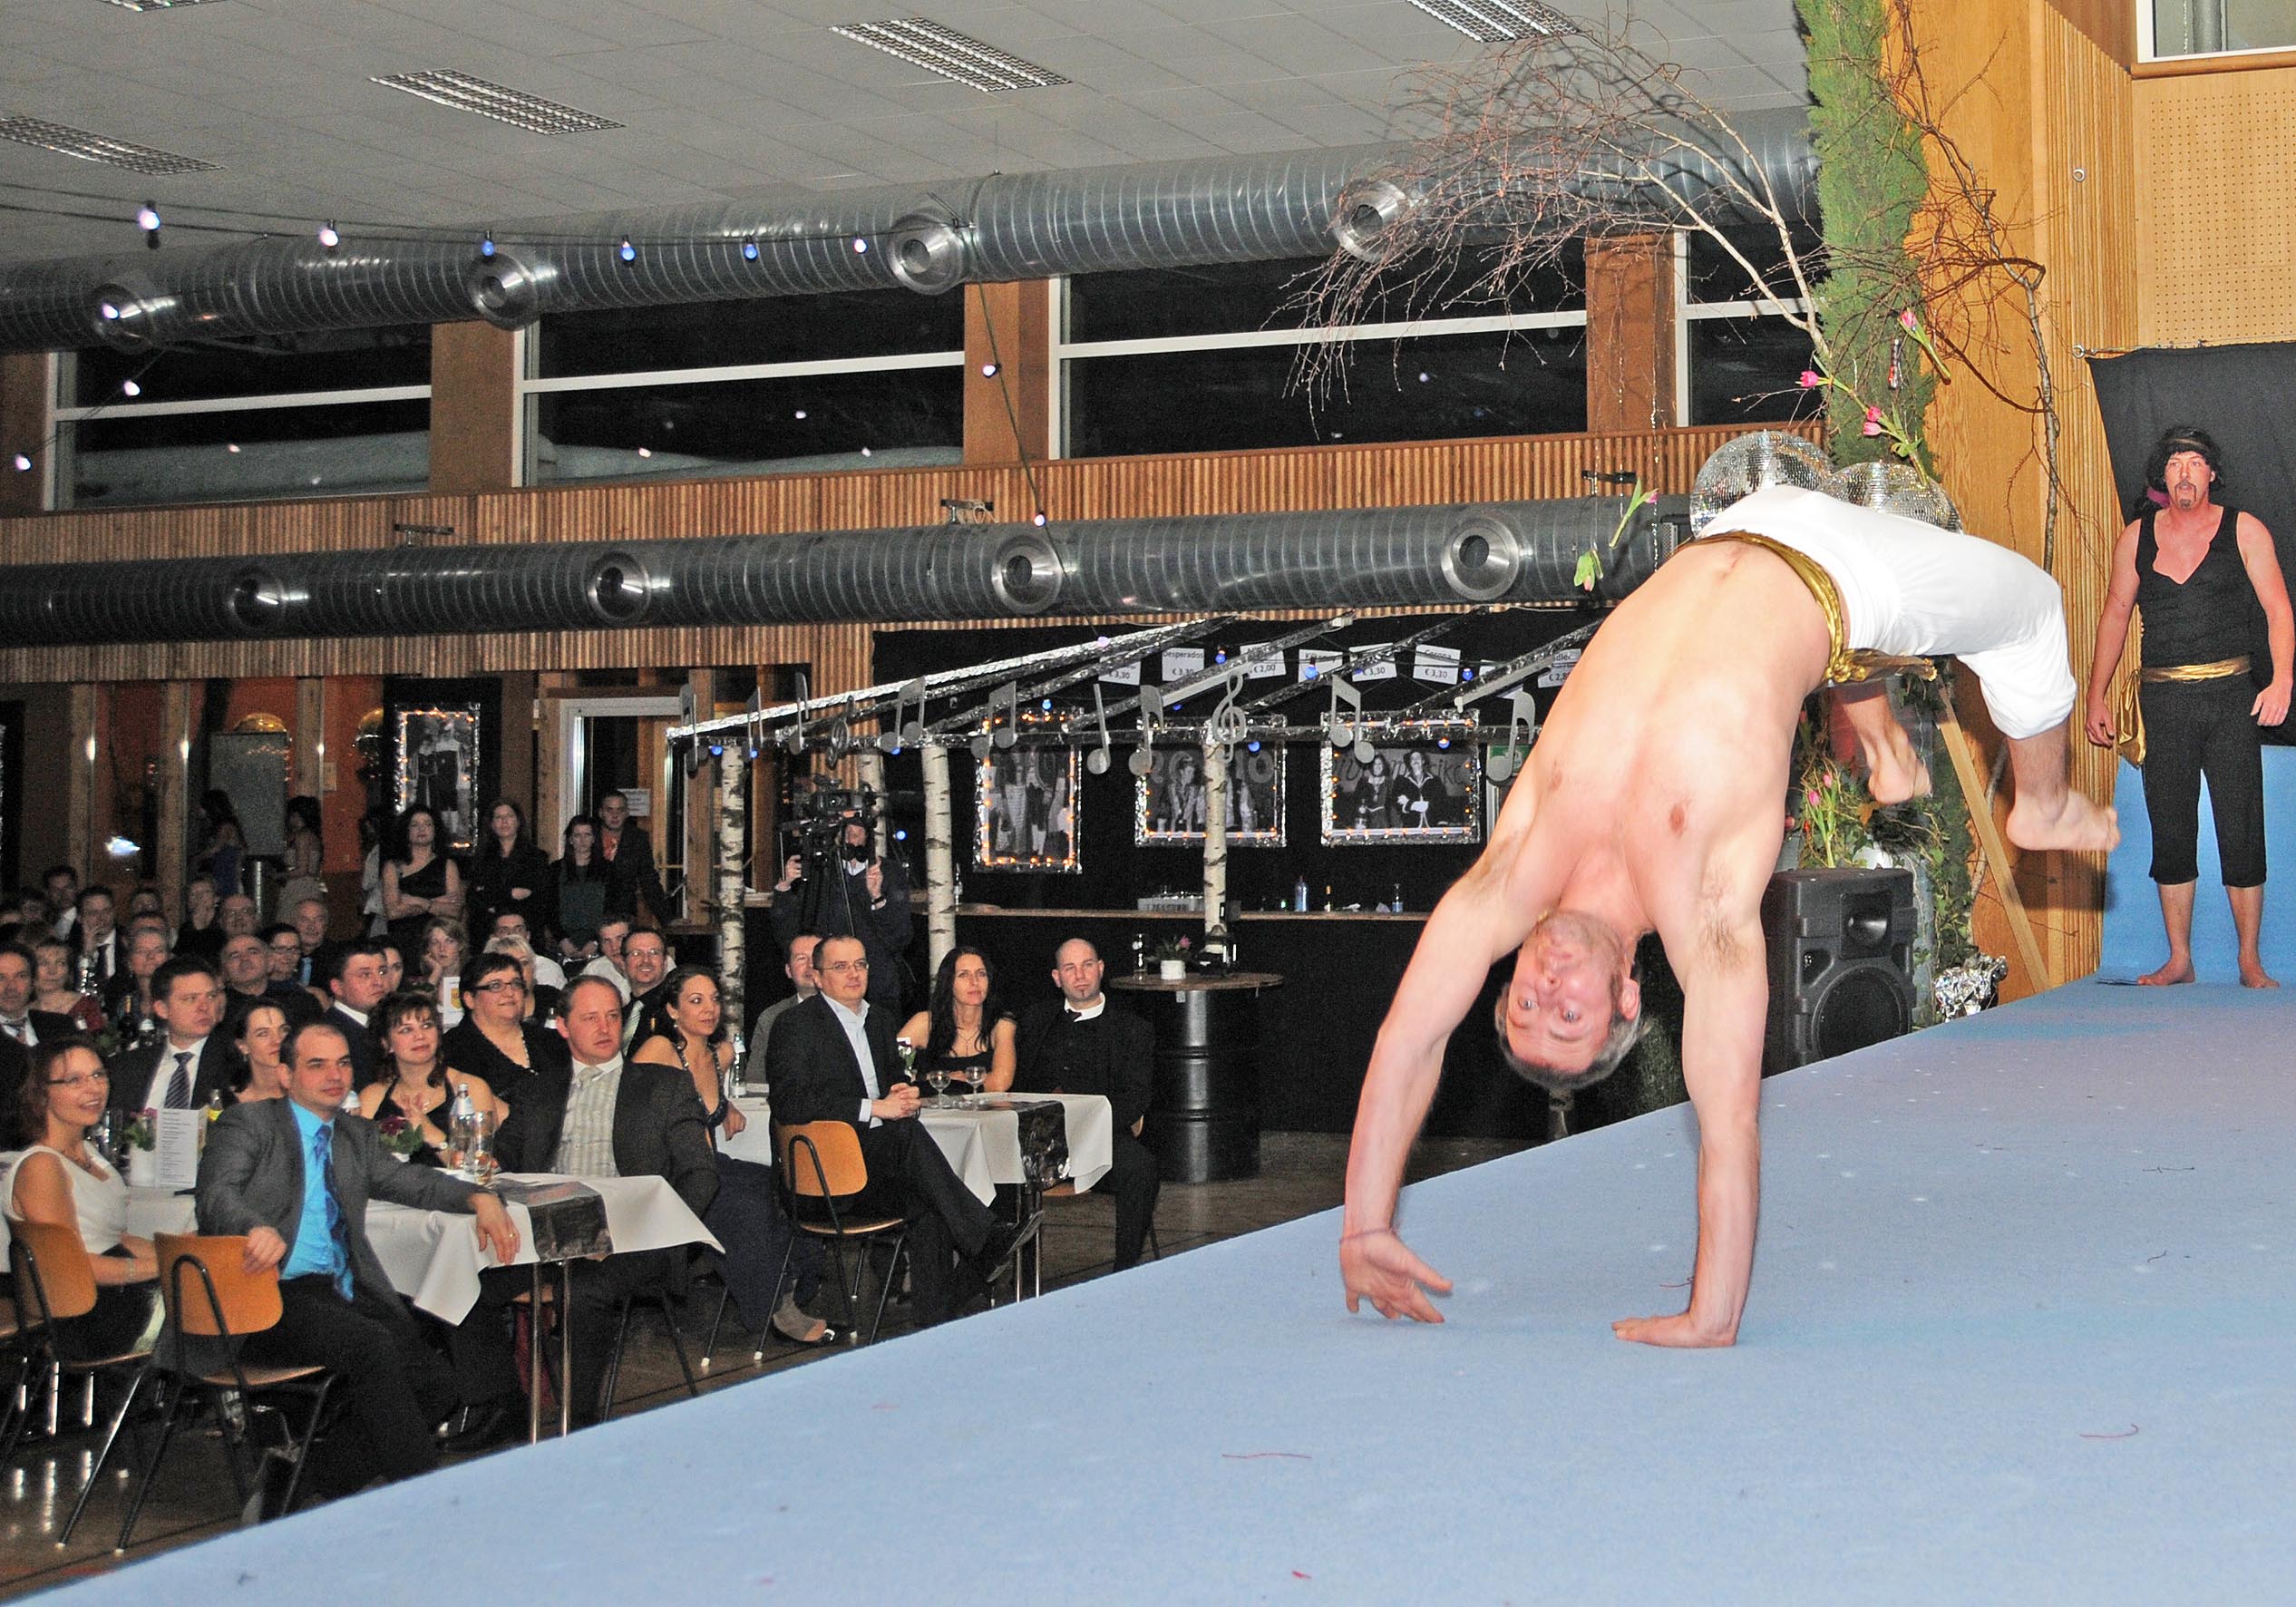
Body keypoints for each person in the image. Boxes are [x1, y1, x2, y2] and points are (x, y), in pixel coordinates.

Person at [1341, 482, 2117, 1348]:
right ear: (1627, 998)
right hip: (1842, 579)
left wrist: (1364, 1224)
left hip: (1738, 525)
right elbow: (1728, 1126)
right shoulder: (1703, 910)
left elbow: (1411, 1038)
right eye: (1568, 1017)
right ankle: (2043, 806)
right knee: (2032, 608)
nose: (1547, 991)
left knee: (1837, 661)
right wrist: (1713, 1312)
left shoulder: (1516, 866)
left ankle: (1883, 746)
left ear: (1514, 965)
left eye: (1525, 1002)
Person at [196, 1018, 520, 1508]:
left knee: (437, 1387)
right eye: (317, 1065)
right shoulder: (250, 1124)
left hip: (336, 1292)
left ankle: (298, 1482)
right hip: (262, 1293)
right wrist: (252, 1227)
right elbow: (216, 1195)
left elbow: (411, 1182)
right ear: (285, 1075)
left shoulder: (355, 1134)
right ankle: (429, 1503)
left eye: (343, 1063)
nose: (335, 1075)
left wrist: (478, 1198)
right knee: (372, 1346)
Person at [2084, 426, 2293, 988]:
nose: (2185, 472)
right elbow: (2115, 615)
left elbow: (2278, 609)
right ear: (2163, 476)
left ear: (2211, 475)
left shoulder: (2245, 530)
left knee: (2241, 825)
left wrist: (2282, 681)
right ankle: (2180, 959)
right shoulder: (2136, 537)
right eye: (2176, 463)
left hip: (2231, 698)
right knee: (2171, 826)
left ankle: (2249, 960)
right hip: (2164, 701)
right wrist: (2096, 693)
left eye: (2195, 463)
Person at [480, 975, 715, 1426]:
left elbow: (700, 1175)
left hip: (631, 1239)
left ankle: (581, 1425)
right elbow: (502, 1159)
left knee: (584, 1291)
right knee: (465, 1276)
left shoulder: (663, 1086)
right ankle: (502, 1406)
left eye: (612, 1016)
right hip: (544, 1235)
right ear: (563, 1026)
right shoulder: (539, 1090)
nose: (605, 1028)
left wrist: (660, 1234)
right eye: (590, 1018)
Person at [769, 935, 1035, 1327]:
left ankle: (935, 1320)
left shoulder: (879, 1021)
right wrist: (874, 1107)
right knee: (908, 1141)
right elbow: (790, 1102)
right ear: (819, 977)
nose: (854, 974)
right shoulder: (795, 1025)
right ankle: (986, 1237)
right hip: (826, 1172)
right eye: (841, 967)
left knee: (930, 1197)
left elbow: (894, 1082)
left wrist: (904, 1093)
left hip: (877, 1168)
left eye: (860, 964)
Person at [632, 968, 836, 1346]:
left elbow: (704, 1103)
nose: (709, 1009)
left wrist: (725, 1108)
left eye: (714, 999)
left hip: (710, 1164)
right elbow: (636, 1119)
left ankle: (794, 1287)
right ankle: (776, 1309)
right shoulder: (658, 1051)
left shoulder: (720, 1053)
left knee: (786, 1185)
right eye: (696, 1001)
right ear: (673, 1010)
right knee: (747, 1207)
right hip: (670, 1174)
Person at [1012, 940, 1162, 1272]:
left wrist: (1089, 1126)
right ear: (1056, 978)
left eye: (1087, 965)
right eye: (1070, 968)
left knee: (1141, 1168)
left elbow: (1136, 1097)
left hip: (1102, 1138)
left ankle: (1124, 1273)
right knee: (983, 1163)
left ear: (1101, 969)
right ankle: (997, 1274)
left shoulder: (1133, 1029)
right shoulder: (1035, 1021)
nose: (1080, 975)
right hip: (1037, 1140)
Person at [6, 1038, 160, 1358]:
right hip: (87, 1314)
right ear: (41, 1093)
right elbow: (70, 1267)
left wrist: (178, 1252)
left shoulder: (87, 1153)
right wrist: (161, 1267)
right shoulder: (42, 1166)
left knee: (216, 1284)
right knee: (209, 1308)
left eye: (98, 1075)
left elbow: (112, 1236)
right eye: (74, 1080)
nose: (93, 1088)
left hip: (114, 1295)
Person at [767, 814, 912, 1013]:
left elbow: (901, 936)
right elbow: (788, 934)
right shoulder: (820, 871)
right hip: (828, 989)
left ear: (868, 835)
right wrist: (785, 886)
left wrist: (877, 896)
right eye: (845, 831)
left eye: (857, 831)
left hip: (877, 989)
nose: (851, 837)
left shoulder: (889, 873)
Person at [359, 990, 501, 1168]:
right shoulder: (372, 1097)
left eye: (427, 1026)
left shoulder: (471, 1088)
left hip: (455, 1185)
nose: (420, 1036)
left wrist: (435, 1137)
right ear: (386, 1044)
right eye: (406, 1030)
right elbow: (360, 1167)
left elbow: (480, 1168)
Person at [440, 950, 569, 1109]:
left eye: (516, 984)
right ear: (470, 999)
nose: (509, 992)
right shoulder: (452, 1051)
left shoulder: (552, 1040)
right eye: (496, 986)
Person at [109, 954, 231, 1113]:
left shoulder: (233, 1063)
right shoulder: (126, 1067)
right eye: (190, 999)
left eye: (211, 996)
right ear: (162, 1009)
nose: (204, 1007)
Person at [899, 946, 1018, 1096]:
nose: (974, 982)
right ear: (948, 982)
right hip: (934, 1109)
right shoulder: (924, 1023)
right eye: (964, 975)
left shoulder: (1002, 1025)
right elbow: (893, 1070)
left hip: (986, 1109)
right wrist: (928, 1078)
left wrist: (950, 1084)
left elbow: (1001, 1082)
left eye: (981, 974)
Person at [0, 943, 80, 1117]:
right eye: (1, 978)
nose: (11, 987)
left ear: (32, 982)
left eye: (21, 976)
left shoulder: (62, 1026)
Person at [744, 930, 823, 1090]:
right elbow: (755, 1081)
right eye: (801, 958)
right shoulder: (772, 1017)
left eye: (816, 958)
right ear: (788, 970)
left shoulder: (850, 1012)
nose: (810, 965)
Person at [380, 806, 462, 959]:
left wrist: (420, 902)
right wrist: (436, 904)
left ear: (435, 830)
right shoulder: (393, 866)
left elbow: (454, 911)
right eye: (415, 824)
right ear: (406, 830)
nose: (421, 829)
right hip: (404, 940)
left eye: (427, 824)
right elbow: (393, 912)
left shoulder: (448, 865)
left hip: (439, 941)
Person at [467, 799, 552, 944]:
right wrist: (510, 894)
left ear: (518, 821)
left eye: (509, 816)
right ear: (491, 824)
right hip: (487, 933)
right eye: (498, 817)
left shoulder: (536, 858)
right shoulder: (481, 858)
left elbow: (537, 899)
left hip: (526, 934)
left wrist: (494, 901)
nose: (504, 821)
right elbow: (474, 899)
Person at [596, 791, 672, 926]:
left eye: (620, 810)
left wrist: (667, 919)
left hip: (624, 915)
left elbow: (649, 880)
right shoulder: (588, 836)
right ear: (601, 813)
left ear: (627, 813)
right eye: (609, 810)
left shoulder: (637, 839)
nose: (615, 815)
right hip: (589, 913)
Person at [322, 941, 391, 1086]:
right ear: (337, 987)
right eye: (365, 975)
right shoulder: (327, 1035)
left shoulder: (391, 1023)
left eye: (383, 972)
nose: (379, 982)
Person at [552, 814, 615, 963]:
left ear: (594, 839)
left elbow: (613, 908)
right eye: (577, 835)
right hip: (563, 943)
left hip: (600, 942)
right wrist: (562, 939)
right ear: (570, 839)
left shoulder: (609, 870)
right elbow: (549, 908)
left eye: (587, 835)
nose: (582, 840)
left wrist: (595, 941)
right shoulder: (555, 870)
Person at [226, 996, 293, 1102]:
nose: (277, 1040)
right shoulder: (224, 1101)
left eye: (284, 1030)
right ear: (243, 1046)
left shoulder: (309, 1095)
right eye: (263, 1034)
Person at [31, 936, 104, 1033]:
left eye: (60, 963)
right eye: (43, 963)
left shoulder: (86, 1007)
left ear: (68, 970)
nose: (52, 971)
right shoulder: (22, 1012)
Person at [618, 928, 675, 1050]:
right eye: (636, 953)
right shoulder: (618, 1016)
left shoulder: (675, 1013)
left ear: (665, 962)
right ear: (623, 963)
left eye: (654, 953)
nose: (646, 960)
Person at [276, 794, 327, 920]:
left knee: (293, 919)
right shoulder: (310, 835)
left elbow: (302, 869)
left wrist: (278, 875)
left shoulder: (302, 836)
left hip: (299, 886)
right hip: (307, 884)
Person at [417, 916, 468, 1028]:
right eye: (435, 942)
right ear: (428, 948)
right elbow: (416, 1012)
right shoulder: (419, 984)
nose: (442, 948)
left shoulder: (472, 978)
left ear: (460, 945)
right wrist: (436, 973)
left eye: (449, 941)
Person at [195, 789, 246, 901]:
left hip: (225, 874)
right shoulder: (226, 826)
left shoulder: (226, 827)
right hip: (224, 873)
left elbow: (215, 849)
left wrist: (196, 858)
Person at [289, 896, 340, 991]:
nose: (311, 927)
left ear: (326, 925)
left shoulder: (340, 957)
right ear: (293, 924)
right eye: (304, 920)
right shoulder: (284, 956)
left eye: (318, 920)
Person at [580, 915, 635, 1000]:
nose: (614, 947)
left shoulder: (651, 967)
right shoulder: (594, 970)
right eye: (607, 941)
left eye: (620, 938)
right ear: (601, 947)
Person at [75, 886, 121, 987]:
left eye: (106, 911)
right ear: (79, 918)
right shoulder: (71, 950)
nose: (101, 918)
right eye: (93, 913)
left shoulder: (129, 942)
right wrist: (87, 955)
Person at [174, 875, 225, 961]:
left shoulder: (223, 925)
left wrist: (200, 927)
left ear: (216, 898)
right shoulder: (185, 929)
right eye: (193, 894)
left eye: (205, 892)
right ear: (189, 902)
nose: (199, 897)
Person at [1352, 753, 1395, 830]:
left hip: (1383, 820)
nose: (1378, 767)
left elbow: (1392, 804)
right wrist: (1360, 808)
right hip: (1366, 819)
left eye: (1380, 764)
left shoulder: (1389, 782)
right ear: (1371, 766)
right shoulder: (1363, 781)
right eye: (1375, 764)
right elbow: (1355, 800)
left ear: (1383, 766)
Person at [43, 866, 81, 941]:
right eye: (55, 890)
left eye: (68, 888)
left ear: (76, 888)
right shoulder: (47, 921)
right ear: (47, 893)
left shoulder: (84, 920)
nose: (63, 893)